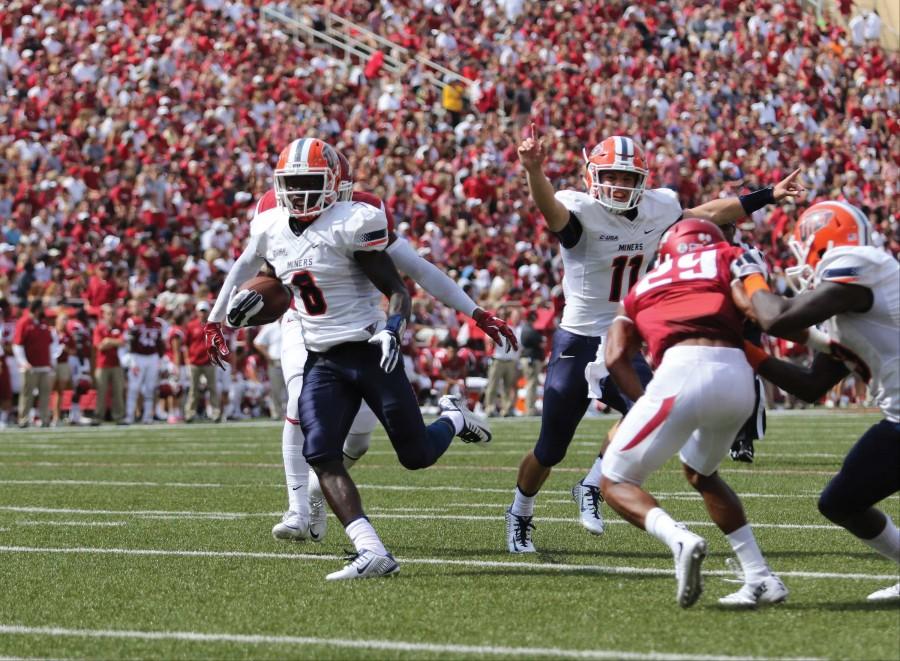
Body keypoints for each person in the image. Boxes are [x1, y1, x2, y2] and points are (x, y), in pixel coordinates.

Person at [506, 125, 805, 553]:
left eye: (627, 178)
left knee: (650, 416)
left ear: (642, 181)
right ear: (593, 176)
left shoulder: (659, 207)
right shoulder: (580, 210)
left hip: (624, 337)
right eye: (611, 176)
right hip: (578, 339)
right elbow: (550, 209)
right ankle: (520, 512)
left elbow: (710, 214)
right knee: (550, 448)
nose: (619, 185)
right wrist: (534, 170)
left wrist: (768, 194)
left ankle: (591, 483)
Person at [210, 137, 497, 580]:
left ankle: (454, 419)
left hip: (367, 352)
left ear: (336, 185)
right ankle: (370, 550)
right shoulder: (270, 226)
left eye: (310, 183)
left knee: (415, 455)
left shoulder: (354, 222)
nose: (300, 193)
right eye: (292, 184)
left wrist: (392, 330)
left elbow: (399, 290)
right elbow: (270, 278)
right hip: (321, 358)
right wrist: (234, 313)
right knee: (321, 453)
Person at [600, 218, 787, 608]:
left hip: (681, 369)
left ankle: (678, 538)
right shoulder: (729, 257)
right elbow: (755, 307)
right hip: (739, 377)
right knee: (701, 473)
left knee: (614, 479)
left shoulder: (644, 283)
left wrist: (644, 402)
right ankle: (760, 577)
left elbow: (616, 355)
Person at [733, 201, 899, 603]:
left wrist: (751, 277)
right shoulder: (853, 305)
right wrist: (744, 350)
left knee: (842, 501)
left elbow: (778, 318)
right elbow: (811, 385)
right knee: (841, 502)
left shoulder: (858, 261)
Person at [13, 299, 54, 428]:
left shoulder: (43, 323)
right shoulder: (24, 322)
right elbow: (17, 344)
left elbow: (50, 344)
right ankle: (23, 419)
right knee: (27, 395)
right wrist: (23, 362)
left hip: (44, 365)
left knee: (45, 395)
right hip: (30, 366)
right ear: (37, 309)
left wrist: (51, 361)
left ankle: (44, 419)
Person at [124, 298, 165, 425]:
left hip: (152, 357)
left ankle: (147, 417)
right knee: (134, 388)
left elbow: (160, 343)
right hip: (138, 357)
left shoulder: (158, 324)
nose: (147, 312)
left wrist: (160, 358)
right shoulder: (134, 322)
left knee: (149, 389)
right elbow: (129, 342)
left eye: (150, 310)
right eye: (146, 309)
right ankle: (129, 416)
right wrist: (131, 359)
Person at [184, 301, 220, 423]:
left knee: (212, 388)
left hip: (209, 362)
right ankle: (190, 413)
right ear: (197, 312)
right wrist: (187, 359)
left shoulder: (214, 326)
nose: (202, 313)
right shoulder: (191, 325)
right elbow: (186, 344)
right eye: (201, 311)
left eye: (204, 311)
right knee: (193, 389)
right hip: (195, 362)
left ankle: (216, 413)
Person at [91, 303, 126, 426]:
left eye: (113, 314)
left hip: (116, 364)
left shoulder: (119, 327)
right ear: (104, 315)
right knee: (101, 391)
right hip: (102, 364)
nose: (111, 316)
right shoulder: (99, 328)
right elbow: (99, 346)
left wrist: (108, 341)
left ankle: (119, 416)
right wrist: (113, 342)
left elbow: (123, 342)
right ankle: (98, 416)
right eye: (109, 314)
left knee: (118, 391)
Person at [483, 307, 521, 417]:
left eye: (504, 314)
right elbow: (488, 342)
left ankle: (506, 409)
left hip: (510, 360)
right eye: (501, 314)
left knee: (508, 387)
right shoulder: (493, 327)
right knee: (492, 385)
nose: (502, 316)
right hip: (497, 359)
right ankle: (489, 408)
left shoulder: (511, 328)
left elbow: (516, 345)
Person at [253, 321, 286, 420]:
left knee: (292, 388)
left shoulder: (292, 323)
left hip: (291, 360)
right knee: (276, 389)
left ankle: (292, 414)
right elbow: (257, 342)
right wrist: (268, 356)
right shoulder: (270, 327)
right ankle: (276, 413)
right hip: (276, 361)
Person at [518, 309, 544, 416]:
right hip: (531, 359)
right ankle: (529, 409)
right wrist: (541, 339)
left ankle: (531, 407)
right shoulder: (528, 329)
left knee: (532, 384)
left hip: (530, 358)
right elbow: (538, 341)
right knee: (531, 384)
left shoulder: (528, 328)